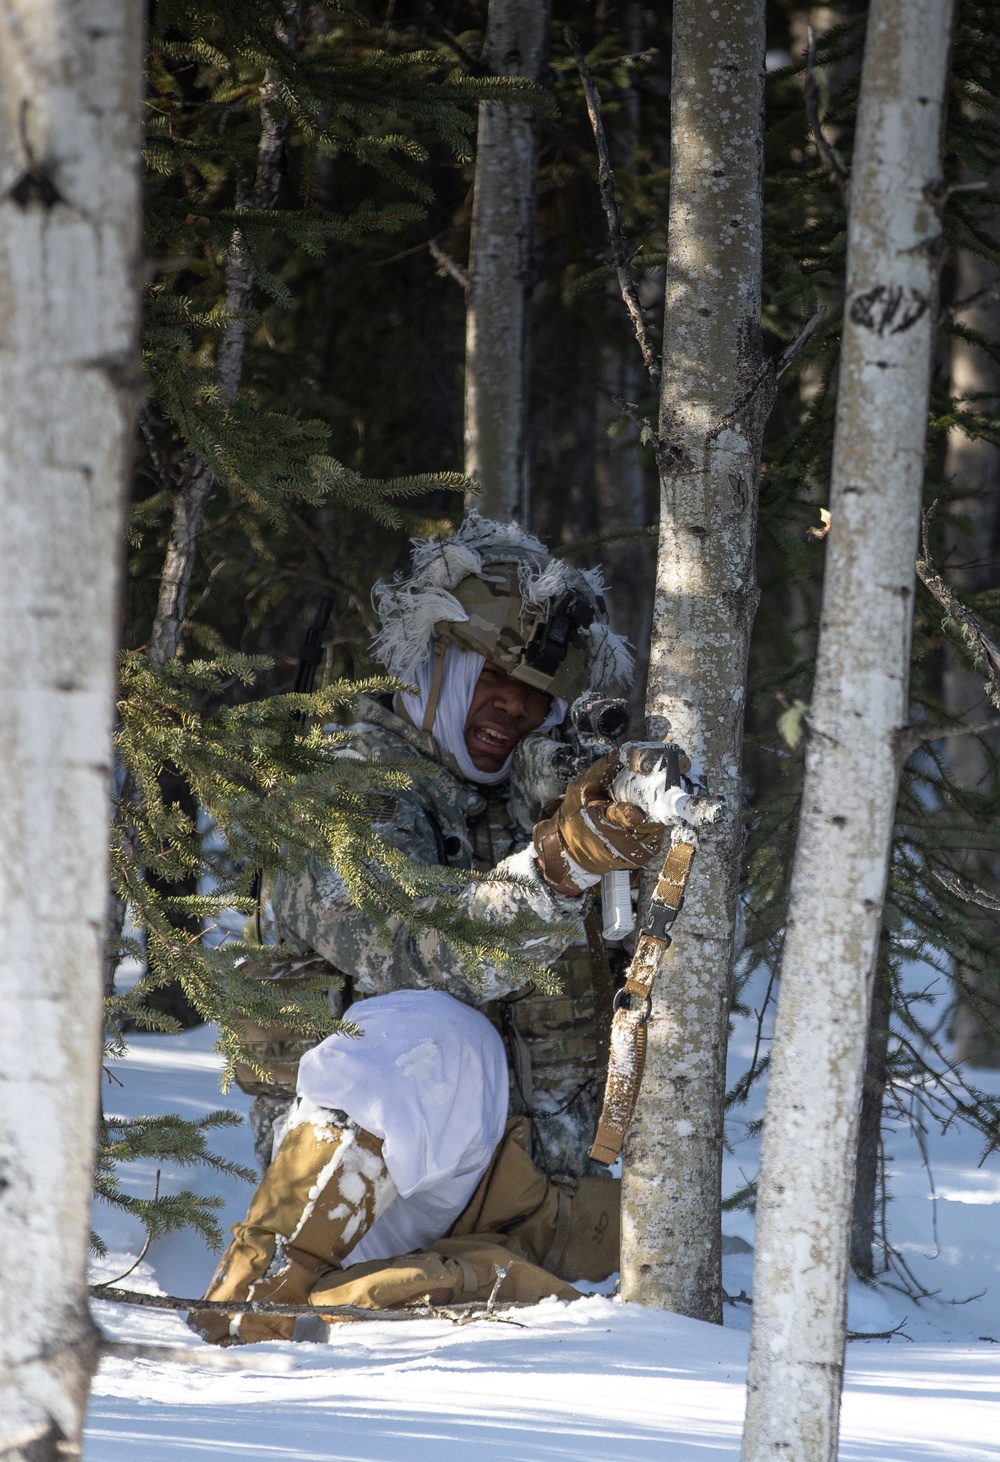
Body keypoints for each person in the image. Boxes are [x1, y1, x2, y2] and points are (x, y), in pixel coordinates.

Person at [190, 515, 678, 1344]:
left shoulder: (533, 788)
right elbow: (417, 942)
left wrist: (631, 836)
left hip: (544, 1202)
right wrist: (558, 866)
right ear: (433, 662)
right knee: (433, 1034)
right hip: (379, 1197)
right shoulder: (348, 784)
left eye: (536, 692)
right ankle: (261, 1291)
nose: (514, 706)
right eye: (491, 674)